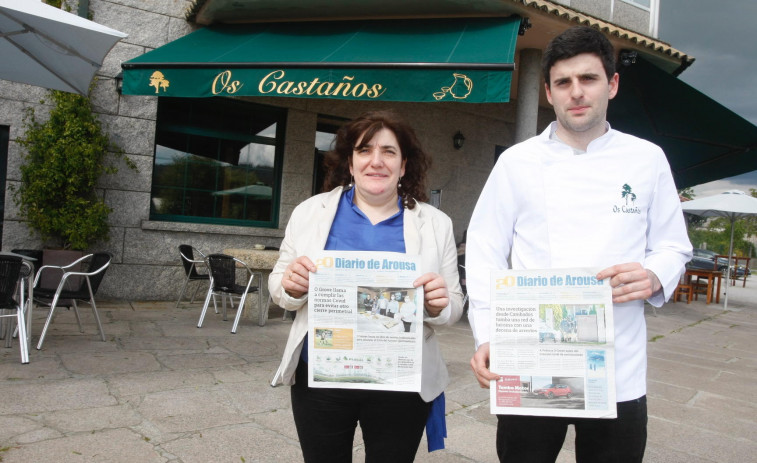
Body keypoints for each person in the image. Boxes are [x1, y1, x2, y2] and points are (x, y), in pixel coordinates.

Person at [466, 26, 692, 463]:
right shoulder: (517, 162)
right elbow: (484, 250)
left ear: (612, 84)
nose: (576, 93)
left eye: (588, 79)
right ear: (548, 93)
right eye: (563, 82)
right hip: (530, 359)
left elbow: (673, 246)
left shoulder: (647, 159)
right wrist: (487, 335)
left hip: (617, 365)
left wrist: (652, 274)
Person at [269, 110, 464, 462]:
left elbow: (453, 304)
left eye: (389, 152)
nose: (377, 161)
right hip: (323, 375)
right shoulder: (310, 212)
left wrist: (439, 305)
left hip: (400, 378)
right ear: (350, 161)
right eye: (365, 150)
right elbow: (279, 284)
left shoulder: (436, 224)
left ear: (404, 165)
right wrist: (291, 286)